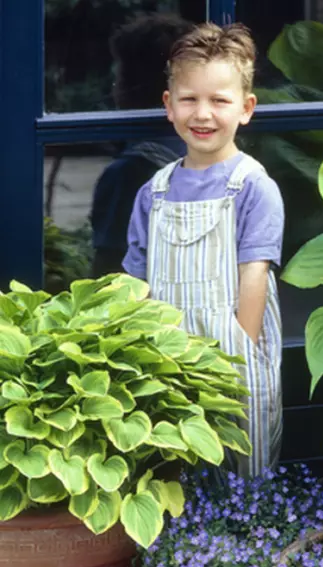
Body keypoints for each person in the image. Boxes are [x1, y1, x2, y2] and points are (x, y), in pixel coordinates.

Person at [123, 22, 284, 478]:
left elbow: (254, 273)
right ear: (169, 106)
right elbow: (137, 282)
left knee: (241, 464)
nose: (203, 113)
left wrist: (237, 353)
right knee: (176, 467)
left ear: (246, 108)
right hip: (168, 356)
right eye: (190, 99)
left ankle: (245, 545)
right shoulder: (153, 192)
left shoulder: (253, 187)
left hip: (233, 353)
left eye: (219, 100)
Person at [90, 13, 194, 276]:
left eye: (118, 78)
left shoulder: (128, 173)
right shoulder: (204, 154)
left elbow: (109, 272)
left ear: (127, 85)